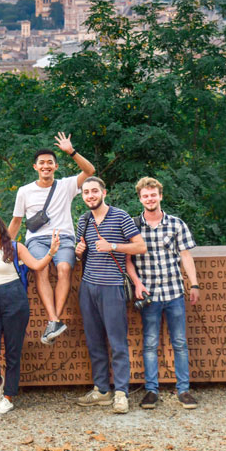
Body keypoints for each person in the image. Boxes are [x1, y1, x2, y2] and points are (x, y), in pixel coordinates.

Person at [9, 133, 95, 345]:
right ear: (35, 167)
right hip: (37, 240)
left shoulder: (65, 185)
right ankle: (54, 320)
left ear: (56, 167)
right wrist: (3, 247)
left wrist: (71, 152)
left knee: (65, 268)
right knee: (41, 269)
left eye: (50, 162)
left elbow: (90, 171)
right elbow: (16, 221)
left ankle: (53, 322)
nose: (46, 166)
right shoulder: (24, 191)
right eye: (42, 163)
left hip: (63, 237)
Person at [0, 212, 59, 415]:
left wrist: (52, 251)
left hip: (13, 298)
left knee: (13, 352)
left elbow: (36, 266)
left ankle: (9, 397)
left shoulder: (14, 246)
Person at [126, 177, 200, 410]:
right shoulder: (133, 226)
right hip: (148, 294)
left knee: (179, 342)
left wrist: (194, 284)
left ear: (160, 196)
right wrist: (136, 283)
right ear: (140, 199)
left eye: (153, 195)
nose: (150, 199)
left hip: (174, 291)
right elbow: (127, 260)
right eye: (145, 196)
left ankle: (184, 389)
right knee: (149, 343)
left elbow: (185, 256)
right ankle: (151, 390)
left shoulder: (176, 224)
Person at [74, 177, 146, 414]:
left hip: (112, 287)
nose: (90, 195)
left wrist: (113, 246)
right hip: (88, 287)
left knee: (117, 343)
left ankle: (122, 393)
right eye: (86, 192)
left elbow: (140, 246)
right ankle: (102, 390)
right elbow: (80, 253)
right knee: (94, 341)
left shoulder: (121, 216)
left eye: (94, 191)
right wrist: (78, 250)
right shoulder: (83, 220)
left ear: (103, 192)